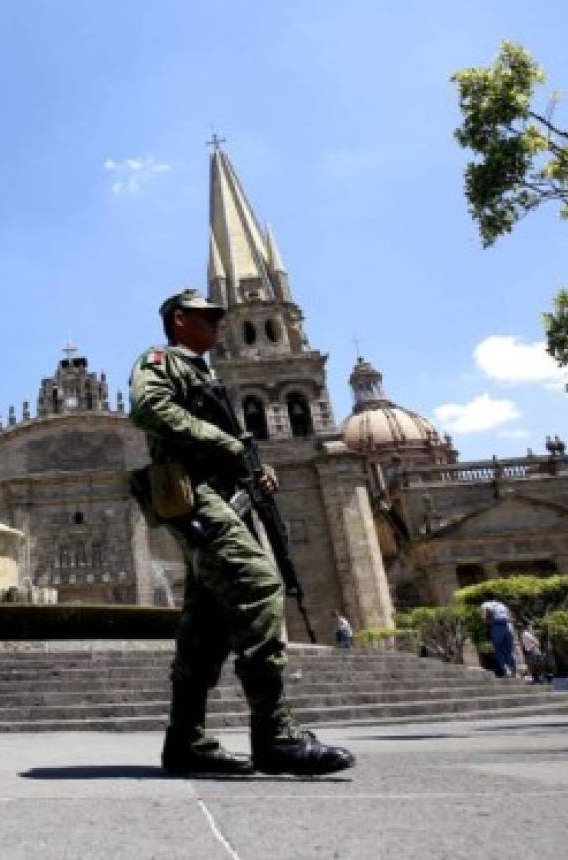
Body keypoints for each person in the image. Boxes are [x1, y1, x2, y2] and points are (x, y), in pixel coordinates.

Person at [128, 288, 354, 777]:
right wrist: (225, 443)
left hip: (215, 492)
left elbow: (226, 442)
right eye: (207, 317)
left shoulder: (203, 372)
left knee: (203, 630)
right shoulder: (160, 359)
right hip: (192, 492)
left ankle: (185, 741)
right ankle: (275, 736)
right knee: (257, 583)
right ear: (180, 319)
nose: (217, 325)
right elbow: (148, 409)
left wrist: (254, 469)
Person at [480, 599, 517, 678]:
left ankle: (506, 670)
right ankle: (512, 670)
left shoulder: (485, 604)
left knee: (498, 650)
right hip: (506, 627)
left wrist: (490, 622)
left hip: (496, 627)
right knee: (508, 651)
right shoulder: (503, 605)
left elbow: (483, 617)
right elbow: (511, 618)